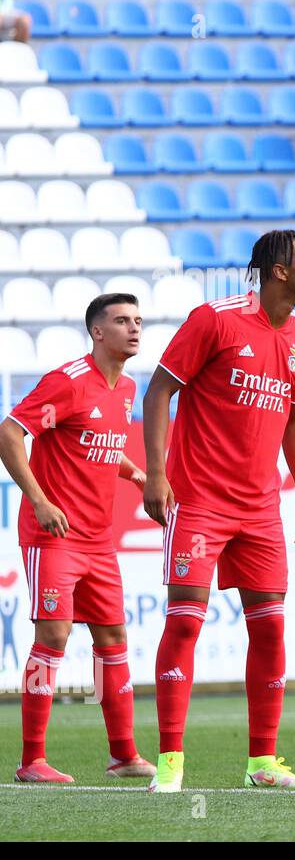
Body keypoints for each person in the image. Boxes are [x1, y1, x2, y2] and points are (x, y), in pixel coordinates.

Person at [142, 232, 295, 793]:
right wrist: (156, 474)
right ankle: (170, 764)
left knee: (270, 631)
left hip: (261, 508)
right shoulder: (214, 320)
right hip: (199, 501)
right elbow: (157, 393)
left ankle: (263, 764)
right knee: (184, 622)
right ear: (277, 271)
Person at [0, 294, 155, 783]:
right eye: (122, 321)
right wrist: (41, 502)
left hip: (99, 540)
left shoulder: (126, 387)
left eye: (138, 320)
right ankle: (32, 761)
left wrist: (134, 473)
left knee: (113, 639)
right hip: (55, 537)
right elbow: (9, 433)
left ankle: (124, 755)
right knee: (55, 635)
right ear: (97, 332)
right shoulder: (67, 383)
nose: (134, 328)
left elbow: (98, 443)